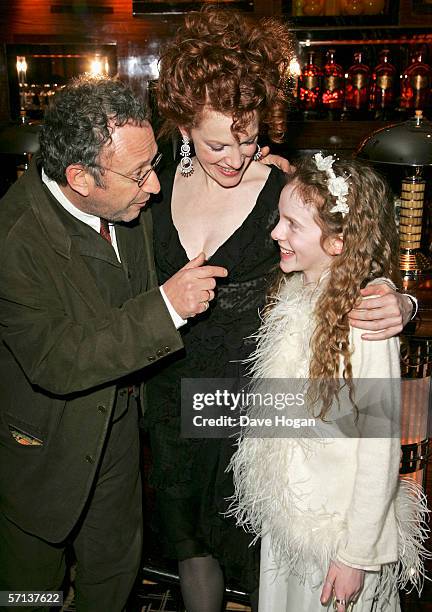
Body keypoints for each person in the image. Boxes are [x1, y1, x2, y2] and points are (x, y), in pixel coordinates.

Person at [145, 8, 415, 612]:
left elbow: (343, 247)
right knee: (192, 550)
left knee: (268, 557)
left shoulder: (279, 187)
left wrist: (401, 299)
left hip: (254, 403)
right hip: (170, 396)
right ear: (184, 123)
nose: (237, 155)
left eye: (248, 135)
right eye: (219, 142)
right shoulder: (150, 179)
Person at [0, 75, 228, 612]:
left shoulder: (122, 200)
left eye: (156, 164)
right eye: (140, 173)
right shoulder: (13, 240)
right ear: (79, 177)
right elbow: (59, 359)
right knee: (28, 593)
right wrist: (168, 307)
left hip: (121, 439)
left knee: (113, 579)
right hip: (41, 452)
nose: (154, 186)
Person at [230, 155, 428, 611]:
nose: (277, 233)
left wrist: (356, 555)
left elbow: (380, 448)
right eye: (278, 219)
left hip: (336, 534)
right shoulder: (299, 288)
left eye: (292, 225)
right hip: (292, 517)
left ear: (338, 243)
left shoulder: (363, 318)